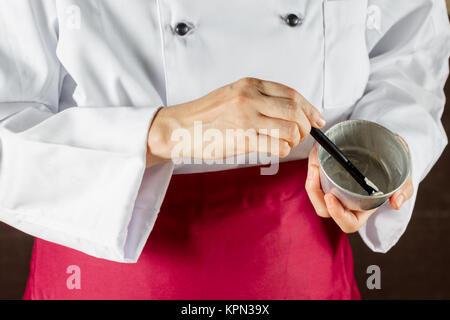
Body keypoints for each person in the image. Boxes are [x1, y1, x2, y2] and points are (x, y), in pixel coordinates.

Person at [0, 0, 449, 299]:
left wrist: (375, 154)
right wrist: (166, 130)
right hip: (111, 253)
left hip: (300, 249)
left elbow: (408, 50)